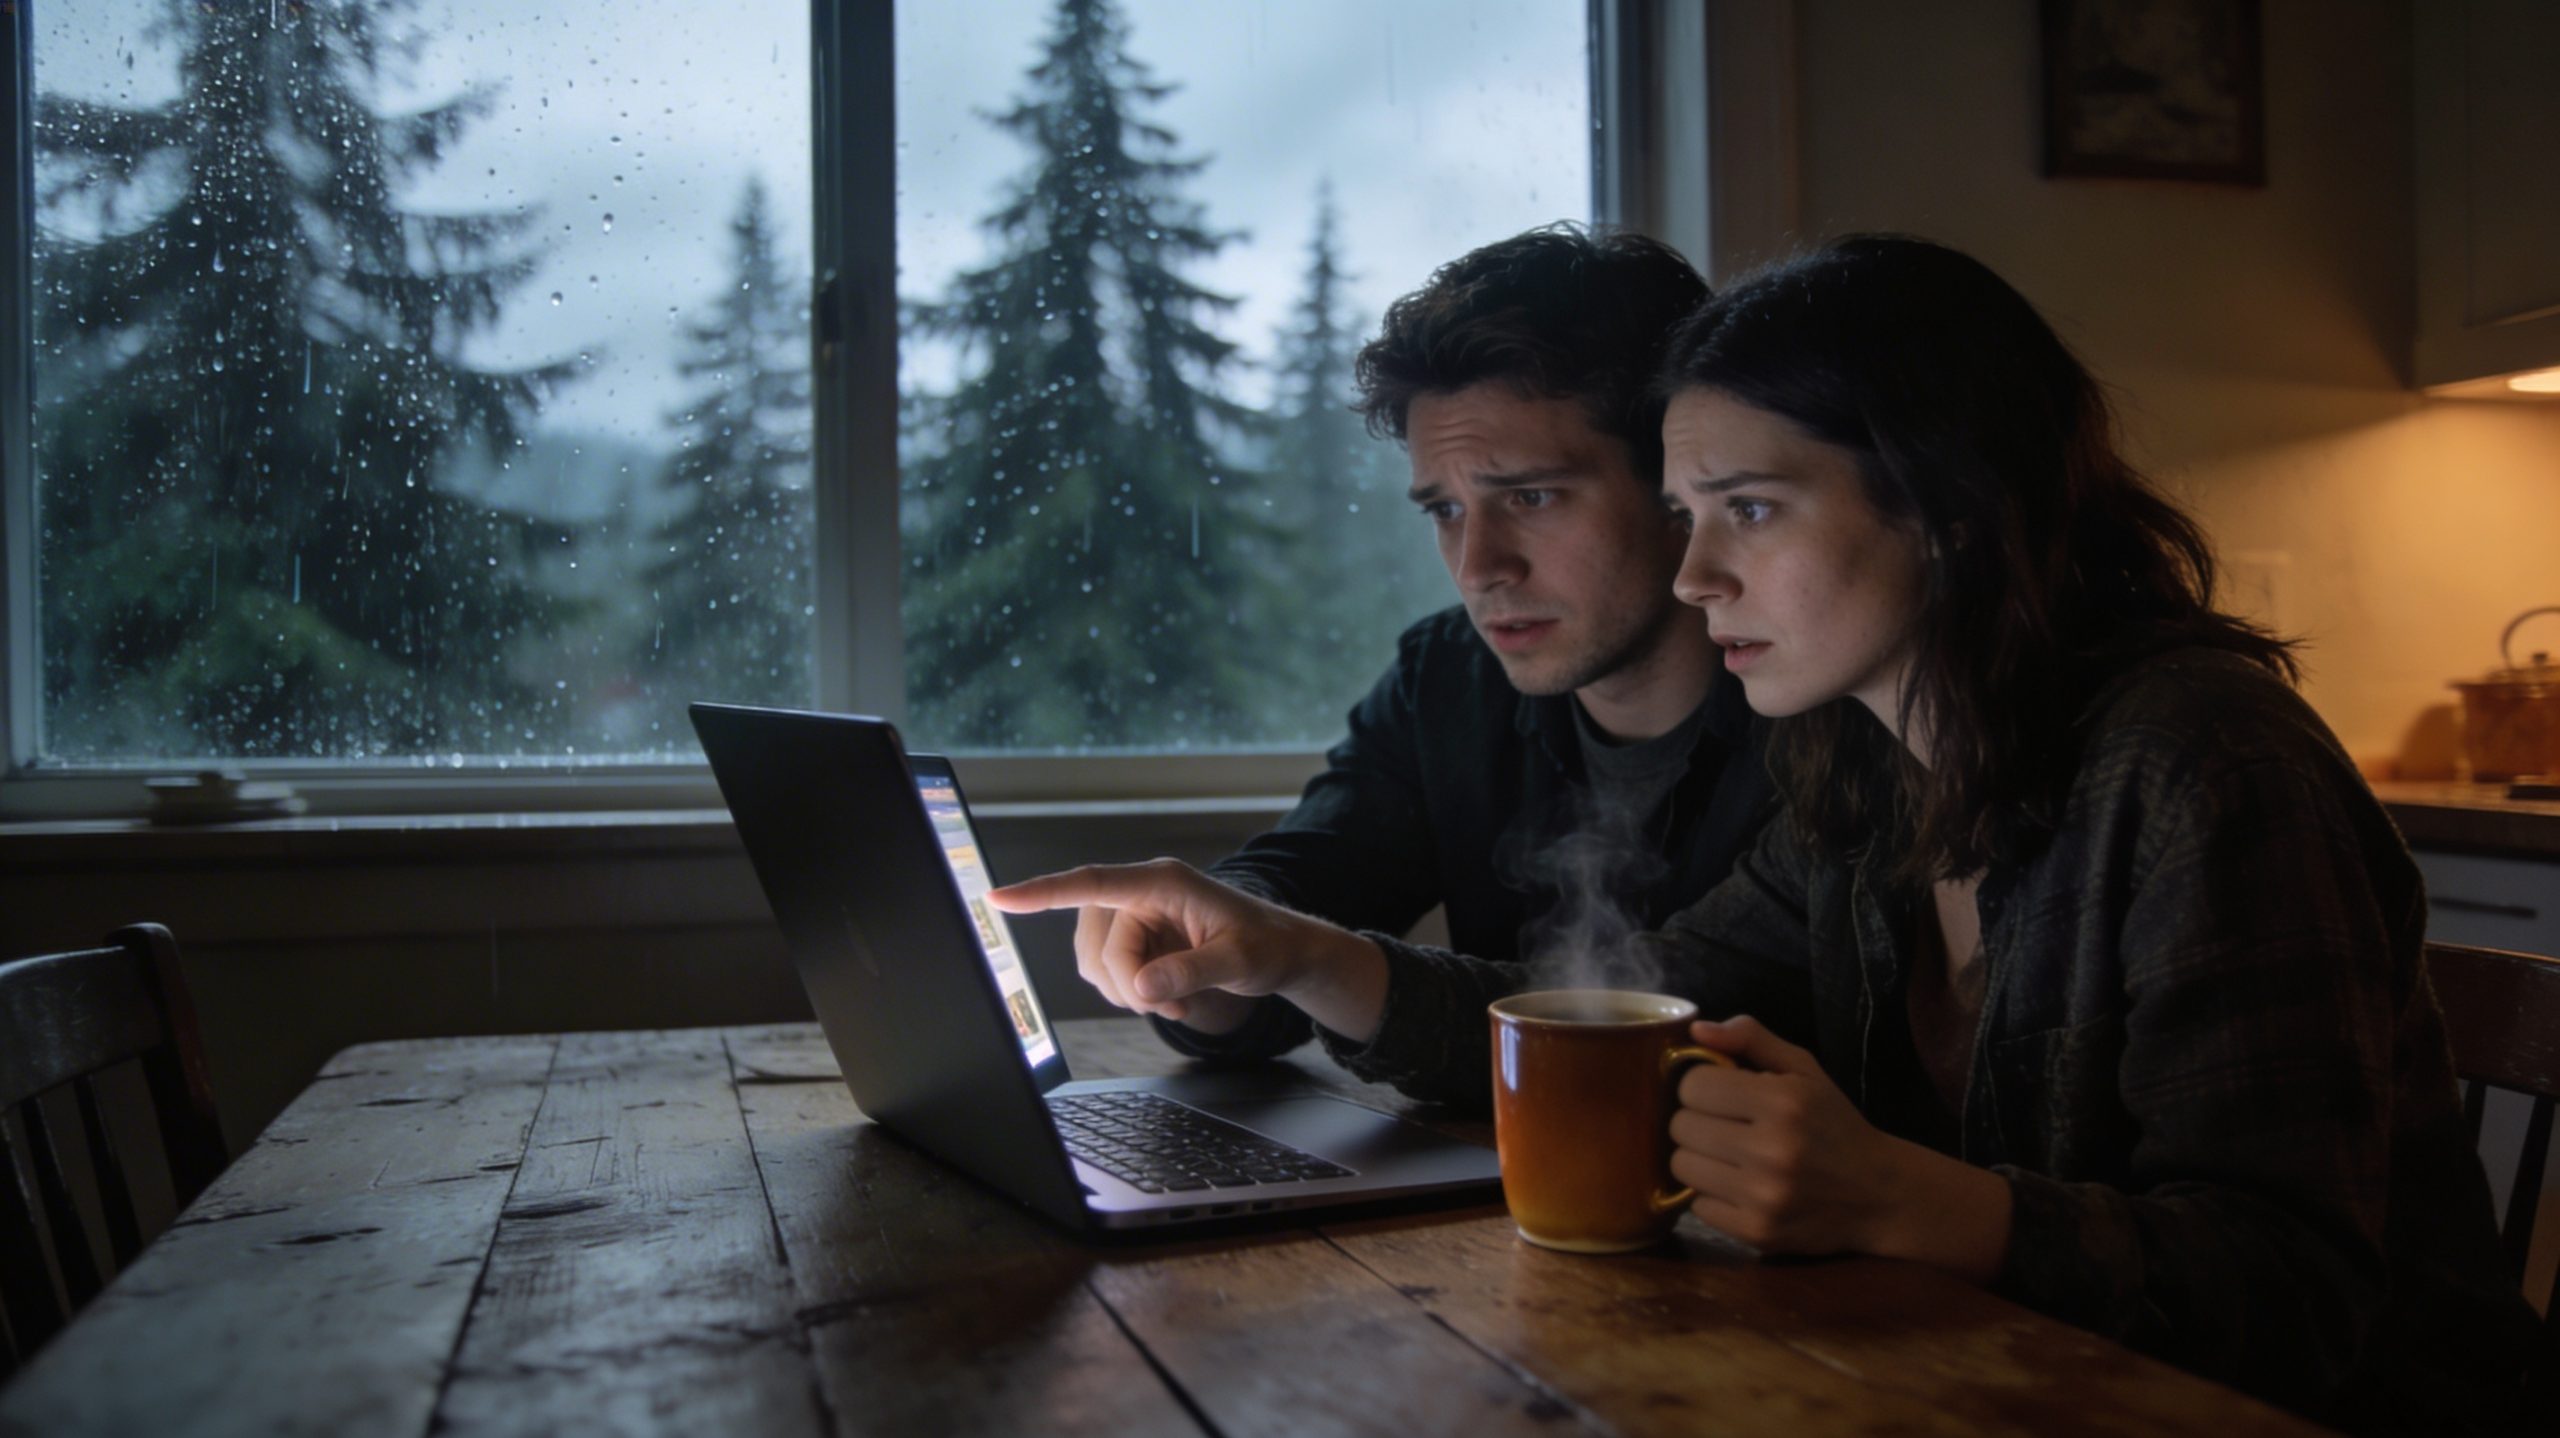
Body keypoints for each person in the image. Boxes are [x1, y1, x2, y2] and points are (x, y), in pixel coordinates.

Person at [995, 235, 2556, 1430]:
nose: (1692, 578)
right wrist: (1290, 948)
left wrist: (1903, 1199)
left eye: (1747, 510)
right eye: (1694, 514)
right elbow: (1619, 1022)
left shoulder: (2204, 767)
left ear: (1943, 503)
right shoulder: (1863, 775)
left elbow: (2304, 1304)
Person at [1084, 224, 1777, 1065]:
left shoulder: (1817, 705)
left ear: (1679, 487)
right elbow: (1313, 874)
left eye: (1530, 498)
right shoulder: (1450, 675)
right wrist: (1206, 959)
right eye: (1443, 511)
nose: (1478, 566)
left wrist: (1306, 957)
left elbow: (1676, 1018)